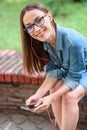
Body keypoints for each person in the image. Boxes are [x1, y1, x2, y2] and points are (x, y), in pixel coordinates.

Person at [20, 2, 87, 130]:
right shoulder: (45, 43)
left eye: (38, 20)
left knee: (69, 97)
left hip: (82, 72)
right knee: (54, 87)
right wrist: (38, 95)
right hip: (77, 72)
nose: (36, 29)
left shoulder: (72, 42)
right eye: (29, 27)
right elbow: (54, 70)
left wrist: (50, 99)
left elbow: (75, 77)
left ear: (49, 17)